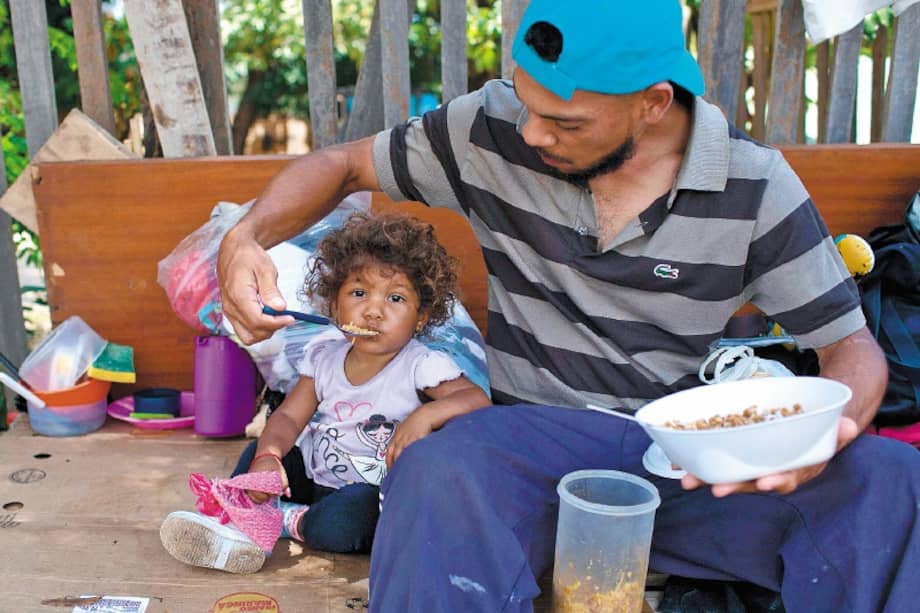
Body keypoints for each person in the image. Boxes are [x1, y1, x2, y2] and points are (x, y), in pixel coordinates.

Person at [216, 0, 920, 610]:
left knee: (893, 481)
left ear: (653, 101)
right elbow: (342, 165)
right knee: (433, 472)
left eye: (566, 122)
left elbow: (850, 351)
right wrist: (248, 235)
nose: (532, 133)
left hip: (679, 466)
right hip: (522, 455)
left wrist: (817, 437)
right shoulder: (492, 131)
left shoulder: (755, 187)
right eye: (527, 103)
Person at [161, 212, 490, 574]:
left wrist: (424, 415)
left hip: (367, 496)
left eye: (395, 298)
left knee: (348, 520)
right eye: (359, 293)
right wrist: (269, 458)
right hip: (312, 476)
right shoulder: (325, 353)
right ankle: (239, 513)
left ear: (421, 317)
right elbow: (288, 416)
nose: (374, 311)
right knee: (258, 449)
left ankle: (284, 522)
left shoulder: (421, 364)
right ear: (335, 304)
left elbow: (476, 400)